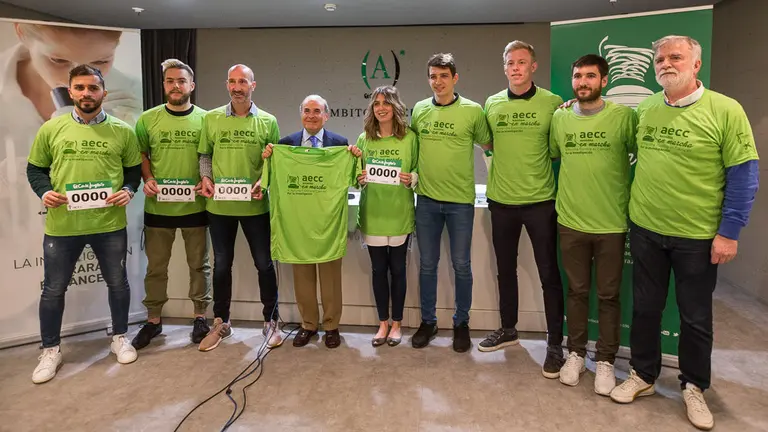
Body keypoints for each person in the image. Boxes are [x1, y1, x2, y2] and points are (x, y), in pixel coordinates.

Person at [609, 35, 759, 431]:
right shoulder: (646, 108)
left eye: (675, 57)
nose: (665, 64)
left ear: (696, 64)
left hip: (697, 236)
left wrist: (729, 232)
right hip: (645, 229)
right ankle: (642, 375)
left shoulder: (726, 110)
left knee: (694, 318)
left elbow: (744, 176)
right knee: (645, 308)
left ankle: (694, 386)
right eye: (659, 58)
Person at [25, 64, 142, 384]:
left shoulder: (122, 130)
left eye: (93, 88)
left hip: (108, 224)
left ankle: (120, 336)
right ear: (71, 91)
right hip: (63, 227)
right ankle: (50, 349)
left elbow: (133, 172)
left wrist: (129, 191)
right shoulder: (52, 129)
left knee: (118, 284)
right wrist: (45, 191)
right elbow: (35, 170)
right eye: (80, 88)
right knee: (53, 290)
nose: (87, 94)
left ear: (103, 92)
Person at [0, 22, 142, 242]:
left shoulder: (136, 98)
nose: (78, 78)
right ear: (21, 33)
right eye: (58, 60)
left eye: (101, 61)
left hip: (107, 232)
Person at [549, 54, 636, 395]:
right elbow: (556, 155)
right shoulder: (560, 119)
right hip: (570, 221)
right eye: (577, 76)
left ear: (604, 80)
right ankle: (575, 354)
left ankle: (605, 362)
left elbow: (639, 154)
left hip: (612, 223)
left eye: (590, 76)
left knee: (609, 296)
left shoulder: (624, 118)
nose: (582, 82)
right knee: (577, 292)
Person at [479, 40, 566, 378]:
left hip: (541, 201)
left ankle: (555, 344)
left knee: (549, 274)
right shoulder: (492, 103)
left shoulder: (553, 103)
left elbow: (556, 150)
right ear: (504, 68)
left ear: (534, 66)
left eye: (522, 62)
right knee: (505, 270)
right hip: (501, 201)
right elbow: (487, 144)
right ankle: (508, 329)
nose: (516, 67)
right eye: (510, 63)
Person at [409, 53, 492, 353]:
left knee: (461, 266)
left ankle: (461, 323)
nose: (438, 81)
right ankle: (428, 322)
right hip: (427, 201)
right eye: (433, 76)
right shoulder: (419, 110)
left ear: (455, 78)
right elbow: (411, 147)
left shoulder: (472, 110)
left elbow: (489, 146)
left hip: (460, 203)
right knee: (427, 266)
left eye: (443, 76)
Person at [262, 94, 359, 349]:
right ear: (301, 114)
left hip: (328, 223)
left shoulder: (340, 144)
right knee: (302, 278)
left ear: (326, 115)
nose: (312, 115)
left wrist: (354, 156)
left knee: (330, 280)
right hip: (298, 225)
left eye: (317, 111)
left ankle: (331, 326)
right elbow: (271, 178)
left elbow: (353, 178)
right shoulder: (285, 145)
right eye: (307, 110)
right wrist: (270, 156)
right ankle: (308, 325)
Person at [196, 64, 281, 352]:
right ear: (226, 85)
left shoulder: (268, 121)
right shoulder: (211, 118)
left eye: (242, 81)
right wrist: (206, 177)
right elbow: (205, 154)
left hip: (256, 207)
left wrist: (264, 183)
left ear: (252, 86)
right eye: (232, 82)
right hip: (219, 207)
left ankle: (271, 321)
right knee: (221, 266)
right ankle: (221, 323)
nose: (237, 87)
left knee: (264, 264)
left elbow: (273, 162)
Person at [130, 59, 212, 350]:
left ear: (192, 85)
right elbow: (140, 153)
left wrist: (206, 179)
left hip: (196, 207)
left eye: (181, 81)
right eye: (170, 81)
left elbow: (210, 156)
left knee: (199, 267)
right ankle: (153, 320)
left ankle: (200, 317)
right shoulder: (147, 119)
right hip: (158, 209)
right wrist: (148, 178)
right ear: (164, 85)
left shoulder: (206, 119)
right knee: (156, 268)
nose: (176, 86)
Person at [355, 85, 418, 347]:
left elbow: (418, 170)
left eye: (386, 103)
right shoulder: (364, 139)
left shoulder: (410, 138)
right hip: (373, 215)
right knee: (379, 270)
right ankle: (382, 323)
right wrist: (359, 178)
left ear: (395, 107)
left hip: (400, 214)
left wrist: (412, 178)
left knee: (398, 271)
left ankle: (397, 324)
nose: (381, 107)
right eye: (376, 103)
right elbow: (355, 177)